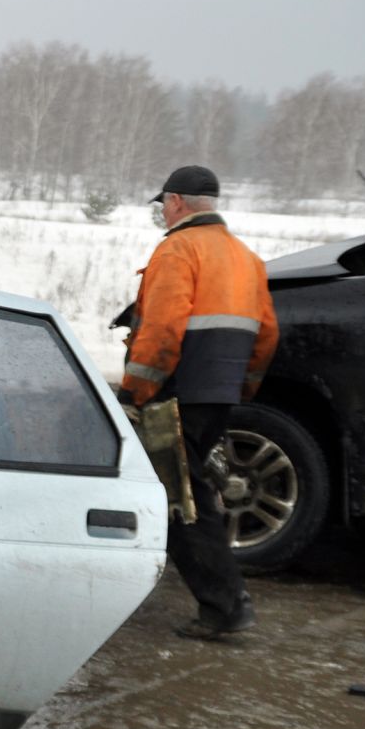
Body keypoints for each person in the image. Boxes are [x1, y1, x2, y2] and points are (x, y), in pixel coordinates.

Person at [118, 165, 279, 640]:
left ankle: (226, 608)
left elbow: (163, 330)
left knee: (179, 503)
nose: (162, 213)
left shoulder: (178, 248)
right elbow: (266, 336)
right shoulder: (246, 258)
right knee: (194, 497)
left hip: (176, 395)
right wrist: (239, 389)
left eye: (163, 204)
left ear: (176, 202)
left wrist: (135, 392)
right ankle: (222, 602)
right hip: (218, 396)